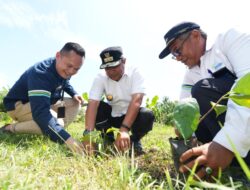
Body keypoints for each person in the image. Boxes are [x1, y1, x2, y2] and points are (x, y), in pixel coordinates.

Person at [159, 22, 250, 179]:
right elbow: (184, 109)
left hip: (241, 133)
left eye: (178, 51)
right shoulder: (190, 75)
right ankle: (233, 164)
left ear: (195, 35)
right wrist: (183, 129)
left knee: (201, 90)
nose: (178, 58)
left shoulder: (228, 41)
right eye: (174, 55)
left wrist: (227, 144)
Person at [1, 42, 86, 154]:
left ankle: (55, 130)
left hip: (43, 102)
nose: (71, 72)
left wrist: (73, 93)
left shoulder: (63, 69)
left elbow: (65, 82)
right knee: (51, 120)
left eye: (76, 69)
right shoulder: (41, 73)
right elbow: (41, 113)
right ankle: (9, 128)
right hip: (18, 105)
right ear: (58, 56)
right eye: (69, 66)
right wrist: (69, 141)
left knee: (75, 103)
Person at [83, 46, 154, 155]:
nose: (111, 71)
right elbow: (93, 103)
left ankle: (134, 141)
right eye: (107, 68)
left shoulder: (135, 72)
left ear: (123, 61)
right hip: (113, 115)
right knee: (99, 108)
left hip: (133, 117)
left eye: (114, 66)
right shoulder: (100, 78)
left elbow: (137, 100)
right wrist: (88, 135)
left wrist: (124, 129)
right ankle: (108, 139)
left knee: (147, 115)